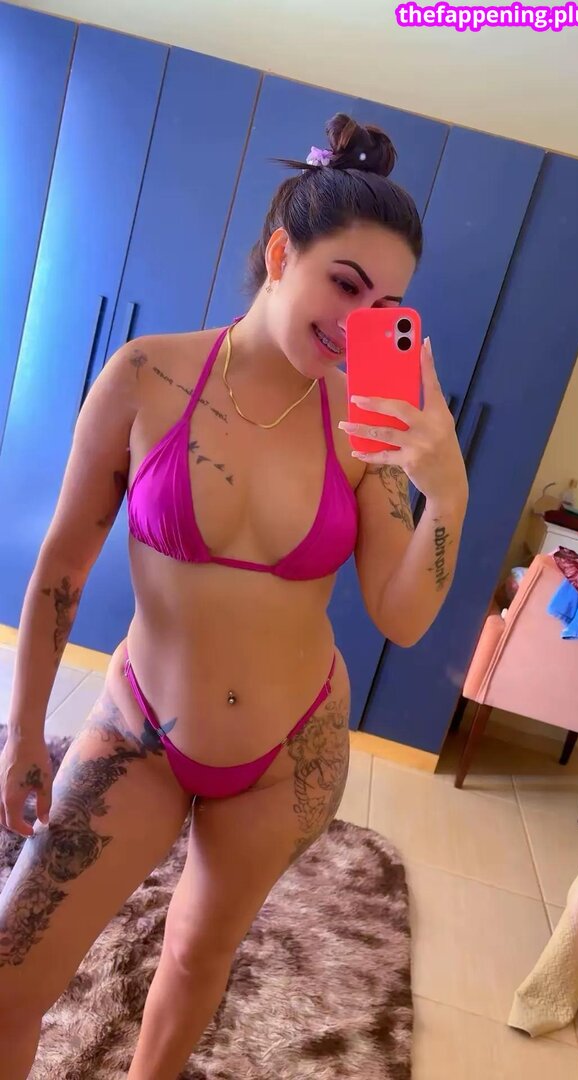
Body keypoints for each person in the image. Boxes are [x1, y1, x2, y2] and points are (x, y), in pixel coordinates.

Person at [0, 113, 468, 1079]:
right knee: (10, 978)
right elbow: (61, 566)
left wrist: (448, 496)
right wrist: (24, 728)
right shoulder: (147, 376)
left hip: (289, 752)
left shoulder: (365, 429)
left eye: (386, 306)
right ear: (280, 253)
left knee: (196, 955)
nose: (357, 322)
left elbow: (403, 616)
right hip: (143, 731)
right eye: (346, 284)